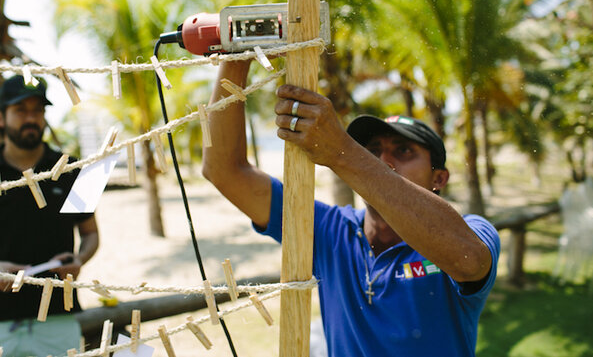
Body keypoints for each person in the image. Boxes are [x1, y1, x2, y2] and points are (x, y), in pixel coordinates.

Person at [202, 60, 500, 357]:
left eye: (403, 151)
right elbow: (225, 170)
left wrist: (342, 153)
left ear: (439, 178)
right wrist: (234, 61)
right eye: (372, 151)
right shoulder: (328, 231)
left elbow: (469, 261)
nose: (384, 161)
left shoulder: (473, 231)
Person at [0, 75, 99, 357]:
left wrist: (80, 260)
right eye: (20, 110)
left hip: (57, 319)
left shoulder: (73, 169)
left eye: (38, 110)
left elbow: (91, 234)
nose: (31, 118)